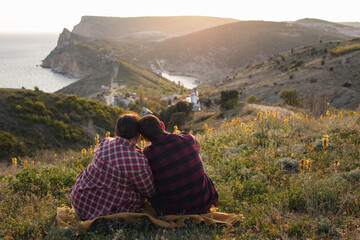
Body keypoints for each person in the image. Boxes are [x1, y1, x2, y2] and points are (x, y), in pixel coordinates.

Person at [70, 113, 156, 220]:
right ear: (138, 136)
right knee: (137, 197)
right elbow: (149, 191)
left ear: (116, 132)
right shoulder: (137, 160)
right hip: (94, 210)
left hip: (78, 198)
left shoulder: (105, 142)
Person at [138, 115, 218, 215]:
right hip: (204, 202)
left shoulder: (146, 155)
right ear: (162, 125)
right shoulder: (188, 138)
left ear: (145, 139)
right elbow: (197, 149)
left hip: (172, 210)